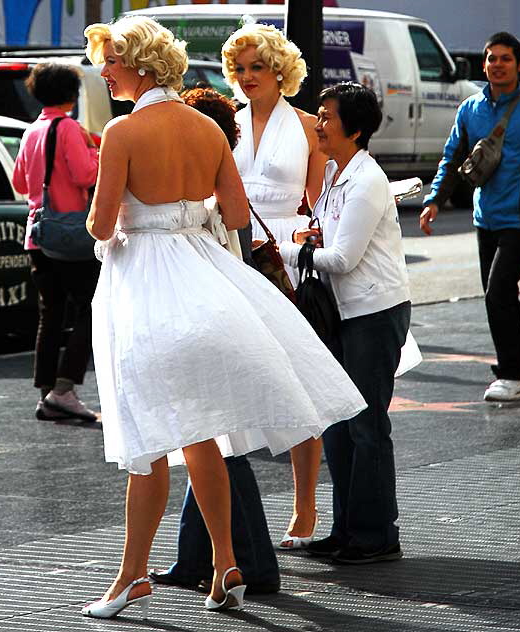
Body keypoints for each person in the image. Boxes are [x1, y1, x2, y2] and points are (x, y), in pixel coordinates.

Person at [81, 16, 365, 619]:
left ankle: (132, 576)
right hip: (206, 279)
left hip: (147, 288)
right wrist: (184, 211)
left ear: (138, 65)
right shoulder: (209, 131)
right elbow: (236, 210)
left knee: (149, 437)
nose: (103, 71)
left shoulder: (123, 133)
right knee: (200, 434)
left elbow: (102, 226)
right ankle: (224, 561)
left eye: (111, 60)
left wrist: (133, 218)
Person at [149, 87, 280, 595]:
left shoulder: (210, 194)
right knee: (206, 443)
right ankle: (193, 557)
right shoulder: (214, 184)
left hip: (211, 320)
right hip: (220, 319)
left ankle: (255, 563)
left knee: (222, 450)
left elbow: (228, 252)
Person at [279, 82, 411, 564]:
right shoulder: (336, 172)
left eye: (327, 116)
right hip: (345, 313)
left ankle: (377, 535)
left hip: (374, 312)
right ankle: (345, 529)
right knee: (338, 423)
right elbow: (328, 240)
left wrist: (288, 249)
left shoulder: (367, 180)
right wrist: (309, 236)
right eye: (317, 113)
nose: (317, 122)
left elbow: (343, 257)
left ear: (354, 129)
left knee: (365, 424)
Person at [221, 21, 328, 550]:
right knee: (235, 385)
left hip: (288, 258)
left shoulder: (309, 126)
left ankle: (304, 508)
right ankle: (232, 521)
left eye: (256, 67)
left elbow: (323, 202)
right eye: (238, 69)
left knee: (300, 382)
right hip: (233, 252)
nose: (245, 78)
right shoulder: (225, 126)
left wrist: (309, 234)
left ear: (280, 70)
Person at [420, 32, 520, 402]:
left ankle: (512, 372)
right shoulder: (470, 109)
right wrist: (434, 200)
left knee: (498, 292)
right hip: (485, 218)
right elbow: (451, 158)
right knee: (498, 295)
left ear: (519, 65)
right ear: (483, 64)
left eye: (504, 58)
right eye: (491, 58)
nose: (496, 64)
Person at [12, 62, 100, 423]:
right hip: (71, 234)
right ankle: (63, 390)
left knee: (50, 315)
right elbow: (86, 174)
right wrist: (100, 152)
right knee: (89, 307)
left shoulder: (32, 130)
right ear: (71, 95)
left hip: (38, 233)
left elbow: (20, 182)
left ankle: (47, 392)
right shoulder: (67, 128)